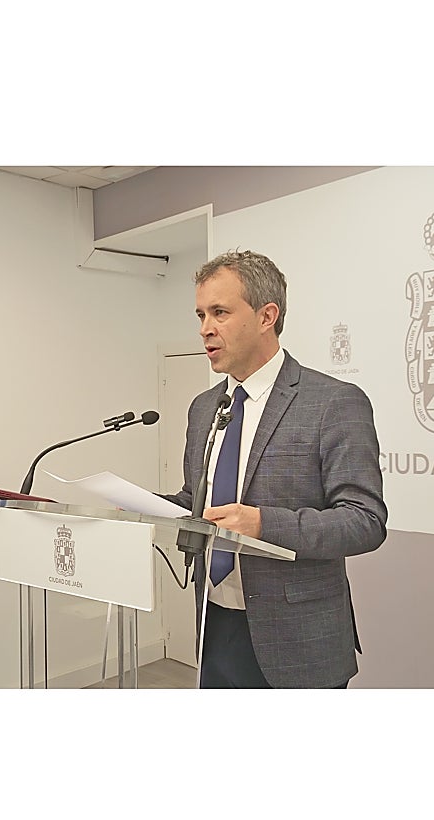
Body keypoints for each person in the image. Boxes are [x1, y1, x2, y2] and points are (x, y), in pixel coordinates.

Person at [165, 249, 387, 688]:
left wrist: (264, 523)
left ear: (267, 316)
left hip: (299, 637)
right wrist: (137, 507)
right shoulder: (204, 408)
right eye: (201, 315)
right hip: (214, 624)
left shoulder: (333, 402)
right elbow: (198, 500)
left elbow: (364, 521)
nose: (205, 328)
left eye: (220, 312)